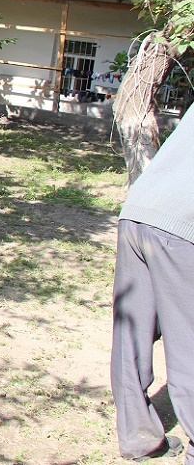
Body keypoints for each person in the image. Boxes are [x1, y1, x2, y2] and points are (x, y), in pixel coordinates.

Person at [112, 107, 194, 462]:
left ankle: (138, 437)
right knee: (188, 340)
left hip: (139, 209)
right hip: (183, 225)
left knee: (132, 332)